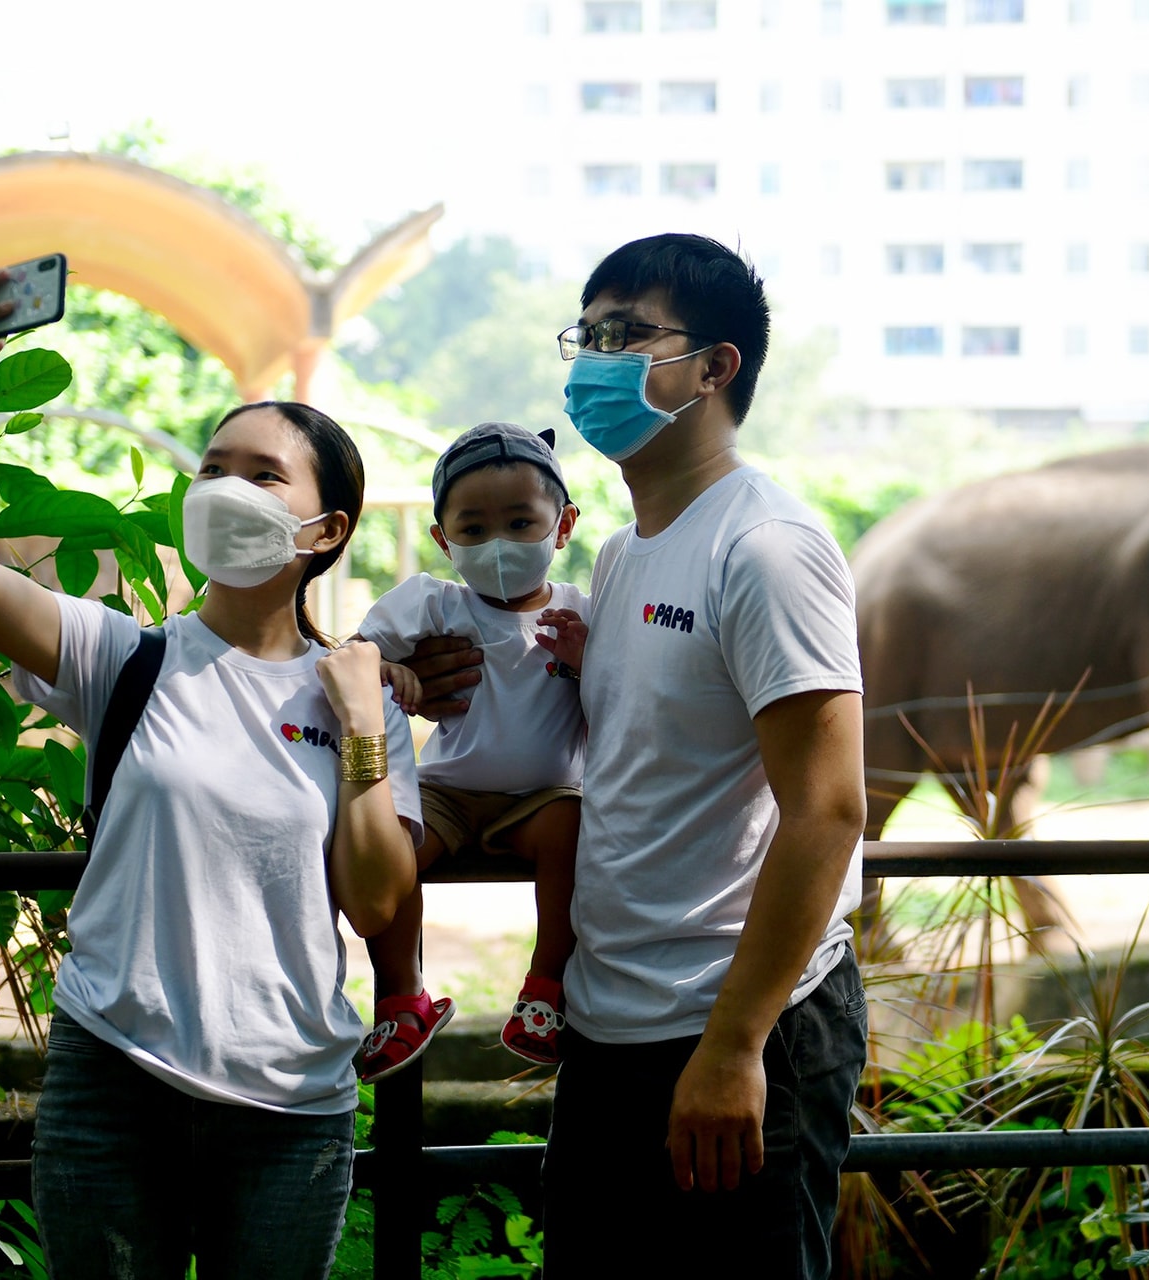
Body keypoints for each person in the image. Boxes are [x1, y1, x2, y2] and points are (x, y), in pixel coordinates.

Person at [0, 264, 420, 1280]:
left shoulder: (363, 695)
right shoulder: (125, 656)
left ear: (328, 530)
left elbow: (373, 898)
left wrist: (361, 725)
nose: (225, 486)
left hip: (291, 1105)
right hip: (114, 1083)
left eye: (262, 473)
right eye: (213, 465)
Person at [409, 234, 868, 1277]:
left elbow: (828, 810)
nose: (595, 359)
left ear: (715, 367)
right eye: (588, 332)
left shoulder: (766, 548)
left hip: (739, 1025)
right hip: (610, 1023)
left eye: (628, 332)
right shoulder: (620, 556)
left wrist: (738, 1042)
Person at [350, 422, 589, 1079]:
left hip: (544, 802)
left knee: (574, 828)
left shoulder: (583, 616)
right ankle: (403, 998)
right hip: (446, 794)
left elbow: (629, 700)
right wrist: (389, 670)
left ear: (562, 525)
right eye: (474, 529)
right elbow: (354, 655)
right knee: (388, 849)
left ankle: (546, 990)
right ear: (442, 539)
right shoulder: (434, 604)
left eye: (520, 522)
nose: (498, 545)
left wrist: (587, 664)